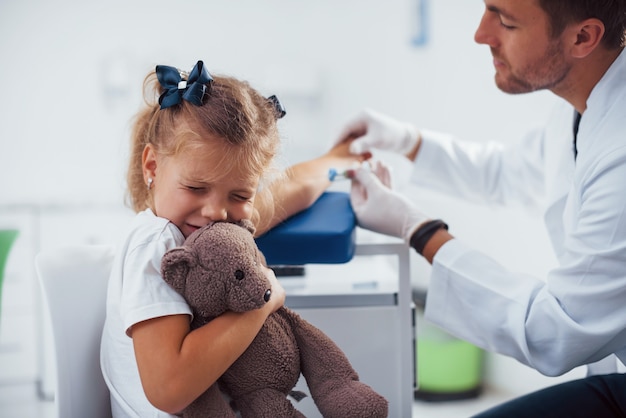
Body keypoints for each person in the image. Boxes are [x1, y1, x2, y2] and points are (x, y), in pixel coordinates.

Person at [337, 1, 626, 416]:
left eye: (505, 22)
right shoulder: (587, 102)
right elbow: (510, 171)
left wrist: (419, 230)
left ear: (583, 37)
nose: (481, 34)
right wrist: (407, 140)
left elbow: (553, 330)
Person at [100, 60, 367, 417]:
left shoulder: (216, 230)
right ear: (152, 167)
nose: (216, 211)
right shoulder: (157, 243)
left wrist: (339, 160)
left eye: (240, 196)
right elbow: (169, 388)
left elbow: (291, 189)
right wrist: (263, 302)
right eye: (196, 188)